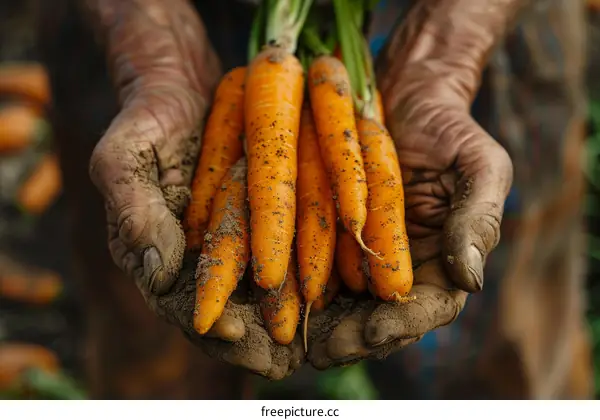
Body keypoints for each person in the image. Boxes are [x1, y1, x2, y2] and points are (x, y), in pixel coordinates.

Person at [36, 0, 592, 398]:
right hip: (151, 25)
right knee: (152, 353)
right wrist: (150, 43)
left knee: (500, 365)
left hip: (463, 21)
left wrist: (444, 57)